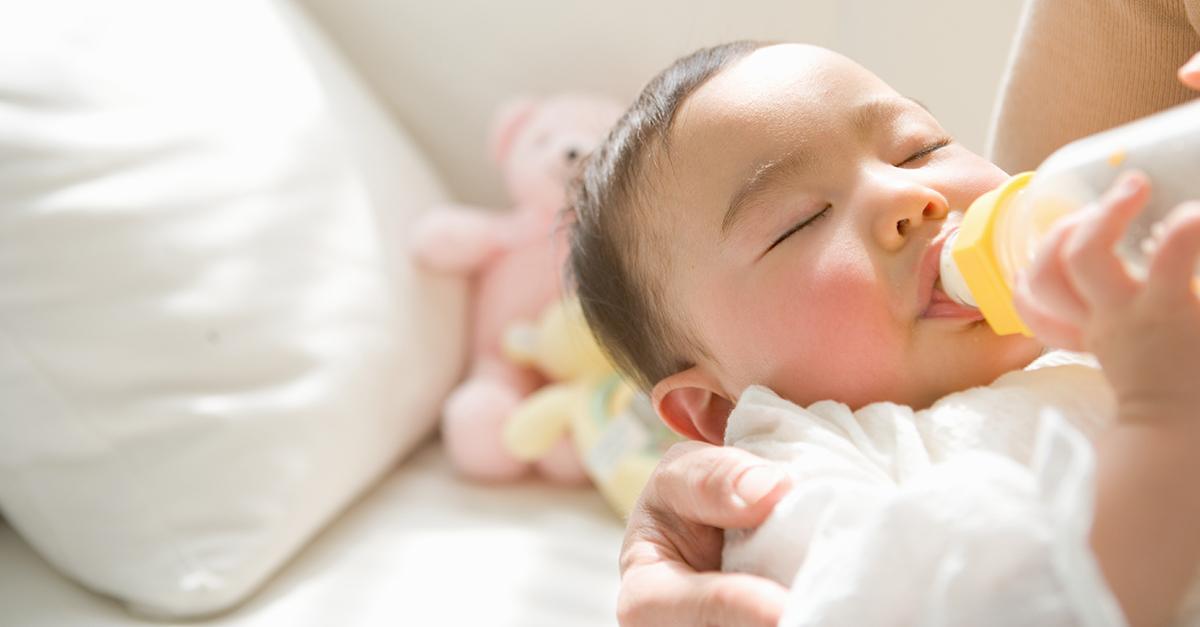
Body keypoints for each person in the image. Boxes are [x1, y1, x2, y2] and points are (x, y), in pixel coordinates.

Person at [573, 0, 1200, 624]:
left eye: (918, 149)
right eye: (802, 222)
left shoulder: (1112, 324)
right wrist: (1163, 413)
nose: (910, 195)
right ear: (718, 408)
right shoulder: (804, 482)